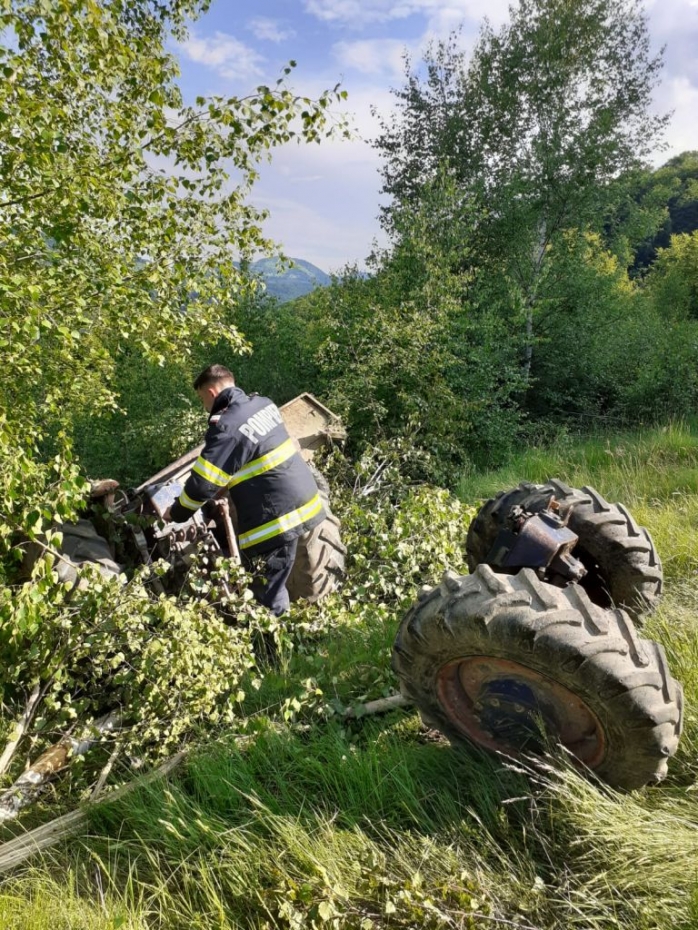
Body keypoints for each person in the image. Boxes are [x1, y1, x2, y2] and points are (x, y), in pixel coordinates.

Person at [163, 364, 325, 617]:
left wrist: (176, 513)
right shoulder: (264, 404)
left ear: (212, 392)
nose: (203, 405)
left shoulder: (226, 427)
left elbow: (202, 485)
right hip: (305, 501)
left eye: (201, 398)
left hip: (275, 518)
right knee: (278, 577)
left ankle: (272, 652)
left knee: (266, 592)